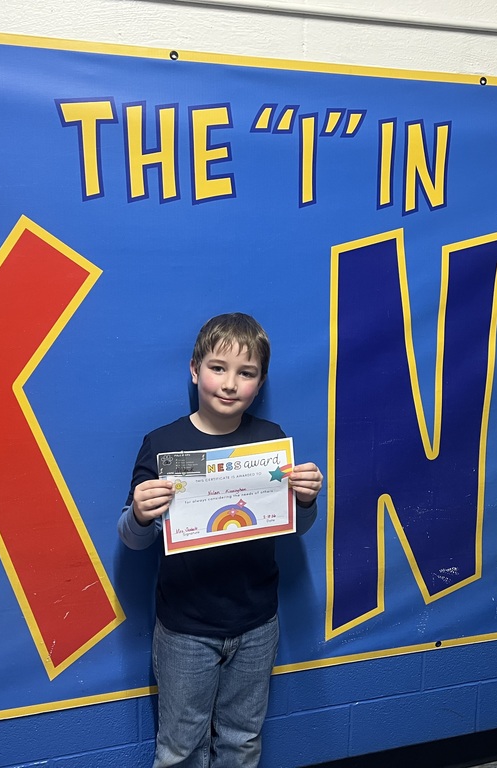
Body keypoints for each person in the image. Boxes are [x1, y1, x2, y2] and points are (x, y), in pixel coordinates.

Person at [118, 312, 322, 768]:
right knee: (179, 750)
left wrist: (306, 501)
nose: (230, 384)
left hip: (257, 624)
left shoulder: (270, 441)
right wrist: (138, 514)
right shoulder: (163, 444)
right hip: (185, 630)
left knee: (242, 741)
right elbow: (133, 540)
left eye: (245, 373)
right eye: (217, 368)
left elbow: (295, 527)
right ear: (194, 370)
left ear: (260, 382)